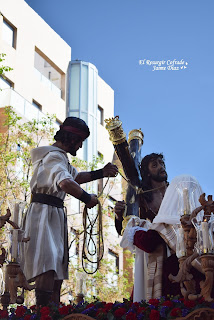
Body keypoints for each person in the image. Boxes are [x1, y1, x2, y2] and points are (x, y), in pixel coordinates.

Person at [21, 117, 118, 306]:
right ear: (71, 138)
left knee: (56, 266)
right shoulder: (54, 156)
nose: (81, 146)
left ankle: (53, 310)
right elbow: (65, 182)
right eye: (80, 141)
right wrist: (86, 198)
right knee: (47, 265)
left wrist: (101, 172)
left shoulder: (59, 158)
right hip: (43, 214)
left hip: (53, 213)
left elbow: (74, 177)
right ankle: (44, 313)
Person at [120, 173, 204, 301]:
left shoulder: (164, 226)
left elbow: (147, 242)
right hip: (204, 289)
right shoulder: (206, 227)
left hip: (172, 292)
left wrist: (131, 226)